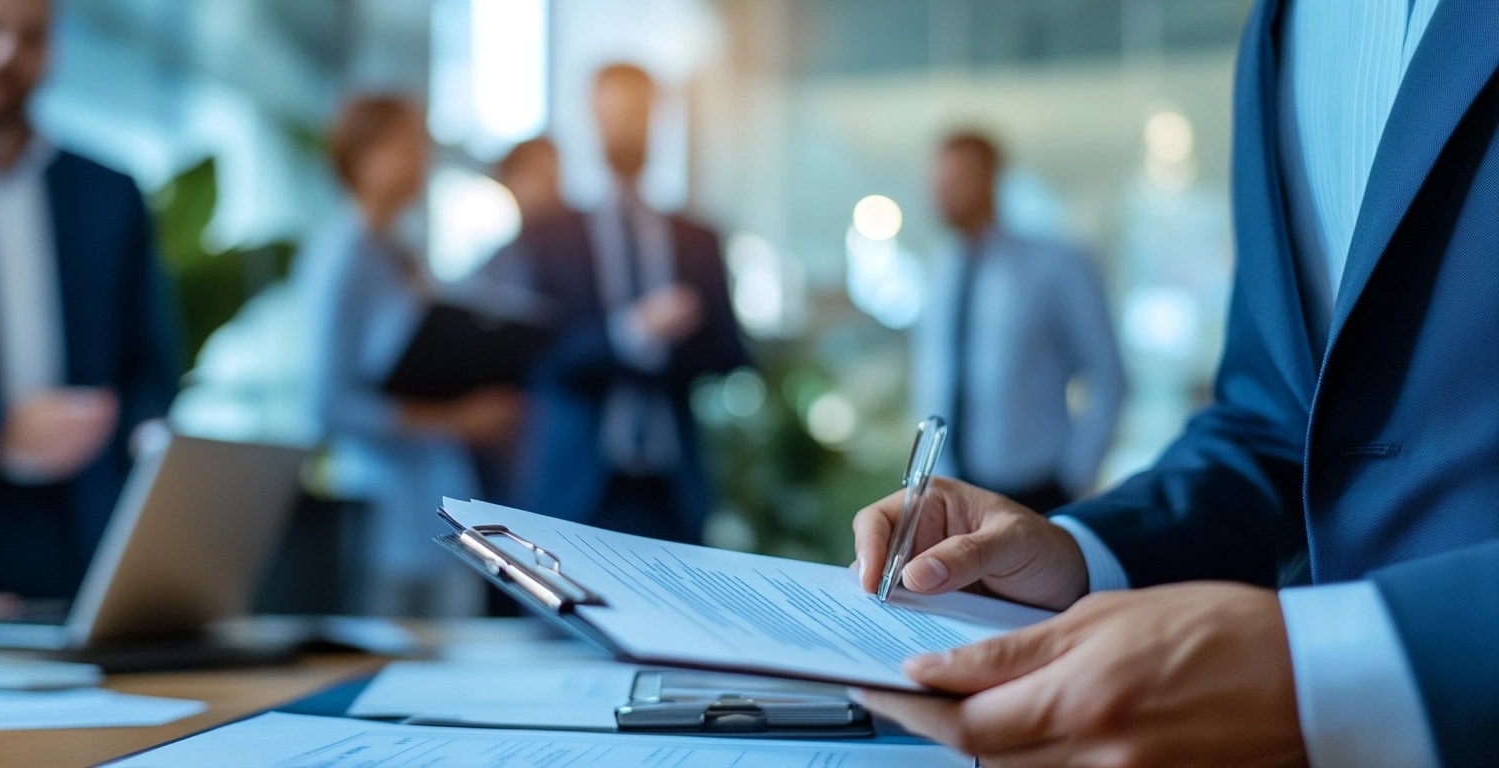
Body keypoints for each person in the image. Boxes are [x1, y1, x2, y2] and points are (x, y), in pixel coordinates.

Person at [852, 1, 1499, 766]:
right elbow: (1275, 423)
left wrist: (1332, 667)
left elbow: (1105, 372)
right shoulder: (1277, 30)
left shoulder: (1053, 261)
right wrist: (1080, 553)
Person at [0, 0, 178, 600]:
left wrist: (144, 436)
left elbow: (150, 363)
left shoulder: (110, 193)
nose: (6, 54)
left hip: (80, 526)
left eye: (29, 37)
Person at [486, 63, 748, 544]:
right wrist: (631, 335)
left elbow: (731, 352)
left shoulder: (697, 239)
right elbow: (540, 356)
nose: (625, 127)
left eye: (636, 114)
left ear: (657, 119)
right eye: (613, 114)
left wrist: (670, 344)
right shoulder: (548, 237)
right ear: (593, 120)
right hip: (577, 485)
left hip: (673, 487)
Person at [296, 96, 519, 616]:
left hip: (435, 507)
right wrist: (456, 419)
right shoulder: (344, 256)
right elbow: (329, 404)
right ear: (361, 154)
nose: (418, 158)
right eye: (402, 144)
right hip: (382, 513)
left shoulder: (402, 252)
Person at [912, 132, 1125, 513]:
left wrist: (1076, 474)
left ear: (990, 178)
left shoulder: (1055, 264)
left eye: (955, 181)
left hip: (1038, 489)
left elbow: (1106, 372)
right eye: (936, 182)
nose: (941, 194)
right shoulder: (941, 269)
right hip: (949, 487)